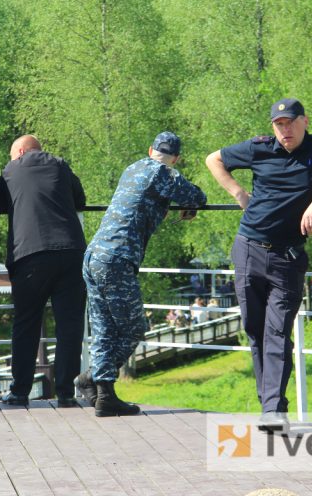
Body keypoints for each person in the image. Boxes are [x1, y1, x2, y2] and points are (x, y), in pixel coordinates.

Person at [206, 98, 312, 430]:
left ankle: (273, 408)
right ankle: (268, 404)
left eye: (290, 123)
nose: (285, 130)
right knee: (255, 330)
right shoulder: (259, 148)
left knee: (278, 332)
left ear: (305, 121)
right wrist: (239, 193)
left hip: (288, 257)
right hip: (248, 248)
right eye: (278, 124)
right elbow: (213, 159)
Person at [75, 132, 207, 417]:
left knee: (104, 329)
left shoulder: (133, 168)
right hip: (117, 259)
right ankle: (92, 379)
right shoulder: (164, 173)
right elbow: (197, 196)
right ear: (176, 159)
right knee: (134, 328)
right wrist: (188, 204)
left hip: (94, 255)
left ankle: (103, 394)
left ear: (150, 150)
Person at [0, 134, 87, 408]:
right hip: (71, 252)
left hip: (29, 255)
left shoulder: (11, 170)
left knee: (26, 323)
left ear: (20, 152)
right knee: (70, 325)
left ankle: (20, 391)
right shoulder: (61, 165)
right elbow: (80, 199)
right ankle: (66, 392)